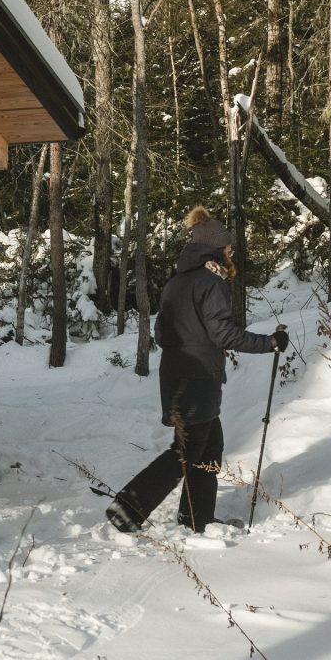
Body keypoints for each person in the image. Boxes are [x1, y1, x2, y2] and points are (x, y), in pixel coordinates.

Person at [106, 206, 288, 533]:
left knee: (209, 446)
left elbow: (162, 333)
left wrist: (190, 344)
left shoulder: (179, 281)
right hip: (198, 378)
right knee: (186, 452)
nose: (232, 252)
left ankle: (196, 518)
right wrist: (269, 343)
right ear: (217, 248)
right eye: (229, 247)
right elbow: (223, 333)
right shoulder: (211, 281)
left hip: (176, 375)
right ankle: (128, 507)